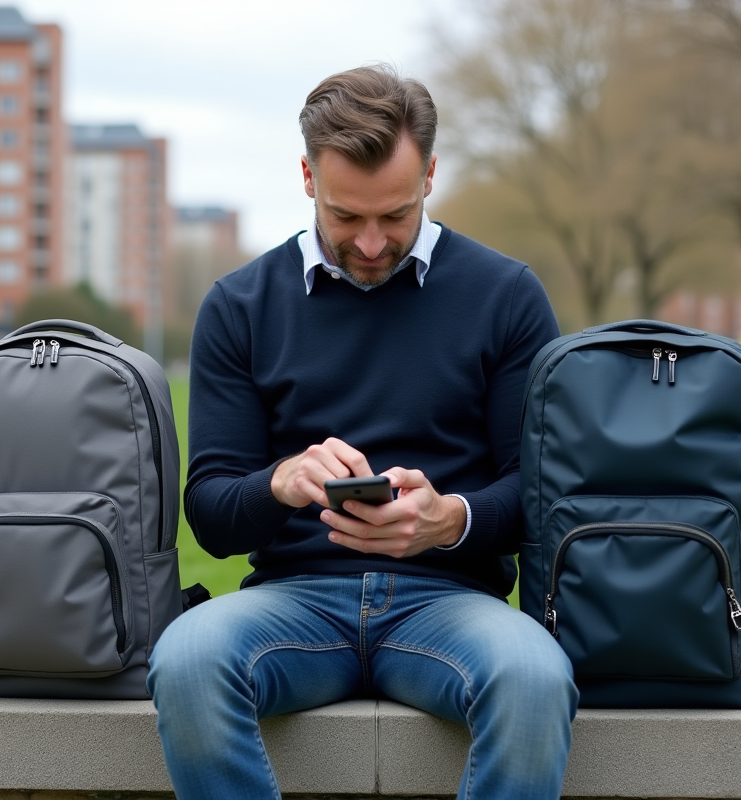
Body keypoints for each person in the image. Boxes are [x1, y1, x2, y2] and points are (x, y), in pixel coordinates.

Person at [147, 64, 578, 800]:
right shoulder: (239, 305)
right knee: (186, 660)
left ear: (431, 175)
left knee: (535, 677)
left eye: (397, 215)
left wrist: (450, 520)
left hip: (451, 605)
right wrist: (280, 483)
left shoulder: (505, 295)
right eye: (347, 217)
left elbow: (543, 497)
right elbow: (211, 513)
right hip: (293, 602)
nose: (373, 244)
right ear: (308, 175)